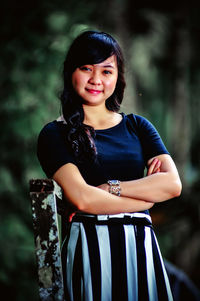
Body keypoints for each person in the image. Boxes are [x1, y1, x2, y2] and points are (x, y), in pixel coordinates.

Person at [37, 30, 182, 301]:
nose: (96, 80)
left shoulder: (138, 127)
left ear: (118, 77)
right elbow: (81, 199)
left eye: (106, 71)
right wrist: (145, 201)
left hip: (140, 247)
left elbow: (172, 185)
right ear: (72, 72)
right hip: (91, 247)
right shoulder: (54, 134)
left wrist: (111, 188)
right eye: (86, 68)